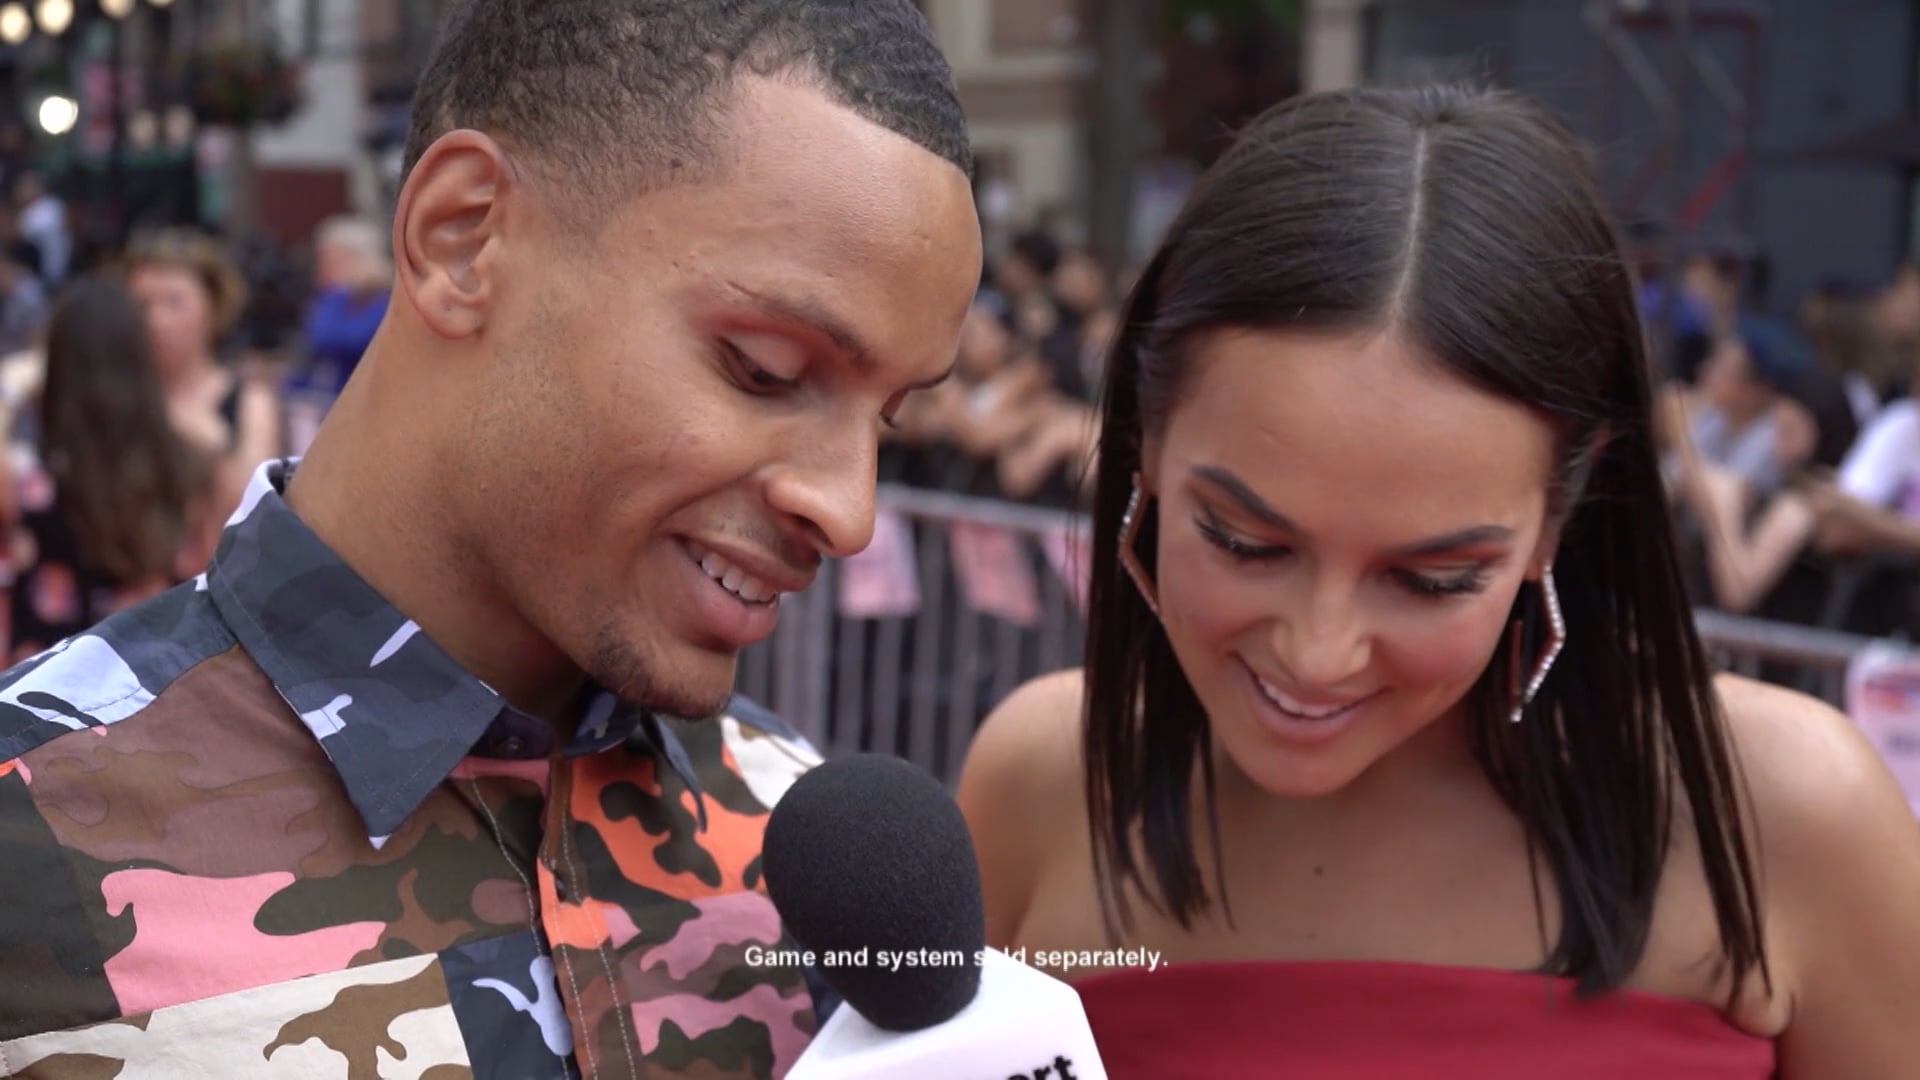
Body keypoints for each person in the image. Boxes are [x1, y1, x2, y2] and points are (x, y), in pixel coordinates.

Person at [0, 2, 979, 1077]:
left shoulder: (809, 846)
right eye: (763, 369)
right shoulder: (27, 852)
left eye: (887, 417)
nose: (849, 512)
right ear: (462, 238)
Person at [958, 84, 1920, 1076]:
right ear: (1147, 450)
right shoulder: (1044, 783)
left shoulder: (1787, 814)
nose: (1317, 651)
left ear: (1557, 516)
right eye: (1245, 542)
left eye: (1433, 579)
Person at [1, 277, 214, 659]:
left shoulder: (33, 479)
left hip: (48, 696)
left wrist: (9, 389)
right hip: (149, 684)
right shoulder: (186, 461)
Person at [126, 228, 284, 520]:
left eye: (174, 302)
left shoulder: (250, 402)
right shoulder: (116, 394)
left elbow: (256, 510)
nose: (156, 320)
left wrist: (212, 443)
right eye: (143, 304)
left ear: (213, 307)